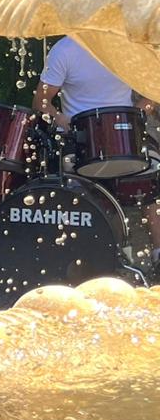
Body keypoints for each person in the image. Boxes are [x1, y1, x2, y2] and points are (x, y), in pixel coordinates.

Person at [35, 37, 160, 260]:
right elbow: (41, 102)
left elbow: (152, 91)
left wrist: (136, 115)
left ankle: (158, 255)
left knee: (151, 186)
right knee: (74, 195)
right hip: (80, 139)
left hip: (124, 135)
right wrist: (62, 121)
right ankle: (85, 257)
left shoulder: (128, 45)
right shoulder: (64, 50)